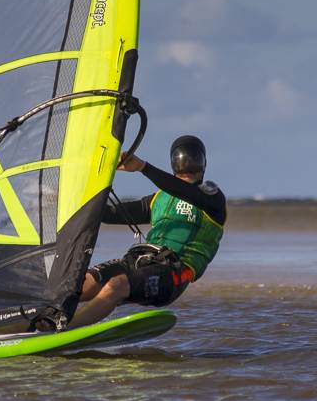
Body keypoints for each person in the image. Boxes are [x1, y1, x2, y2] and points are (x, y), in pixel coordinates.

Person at [67, 135, 227, 329]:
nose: (187, 164)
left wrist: (143, 167)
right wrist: (70, 203)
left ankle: (65, 331)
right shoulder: (157, 200)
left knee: (116, 285)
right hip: (139, 260)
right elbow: (107, 214)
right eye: (182, 159)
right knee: (79, 284)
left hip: (173, 273)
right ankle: (31, 325)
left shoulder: (211, 199)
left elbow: (184, 191)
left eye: (193, 159)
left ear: (204, 164)